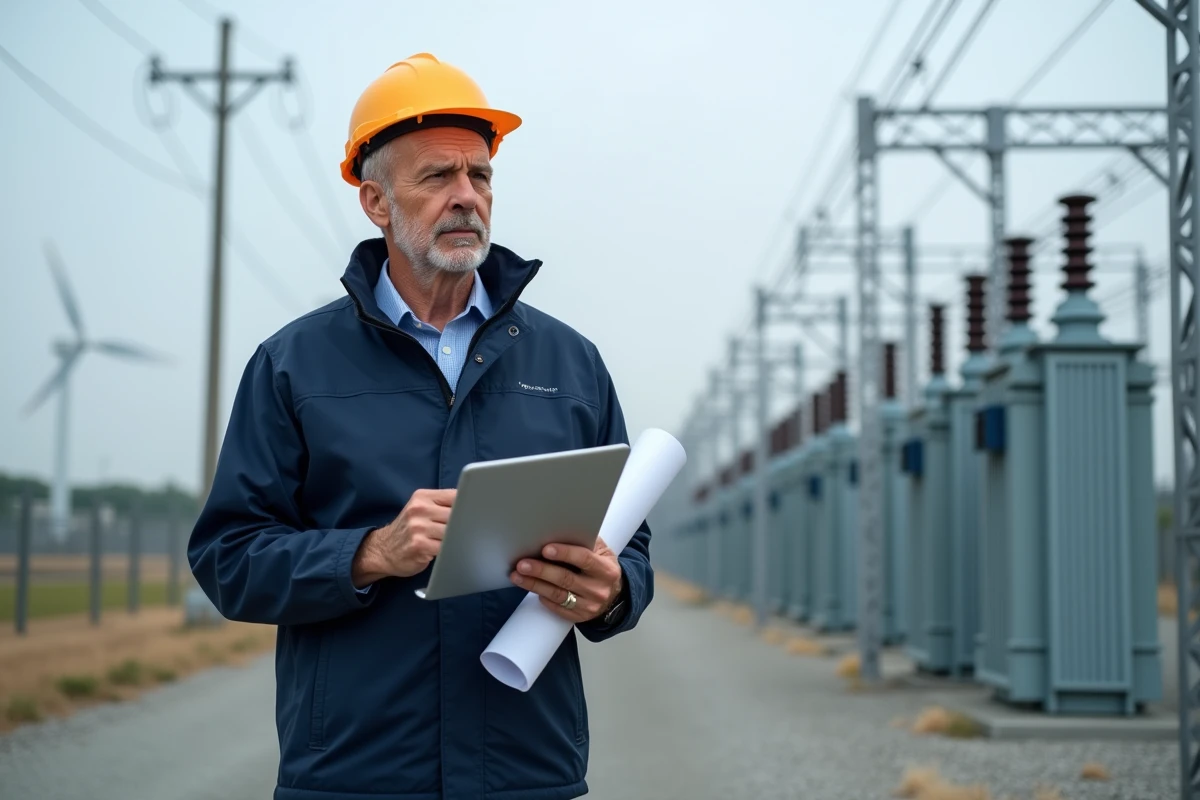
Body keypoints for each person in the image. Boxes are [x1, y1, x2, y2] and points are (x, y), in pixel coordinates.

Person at [188, 53, 654, 800]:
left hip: (527, 776)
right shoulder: (293, 367)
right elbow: (229, 558)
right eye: (438, 177)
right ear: (376, 201)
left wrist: (613, 592)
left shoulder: (571, 364)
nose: (467, 197)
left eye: (481, 175)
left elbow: (629, 549)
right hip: (355, 776)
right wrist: (368, 553)